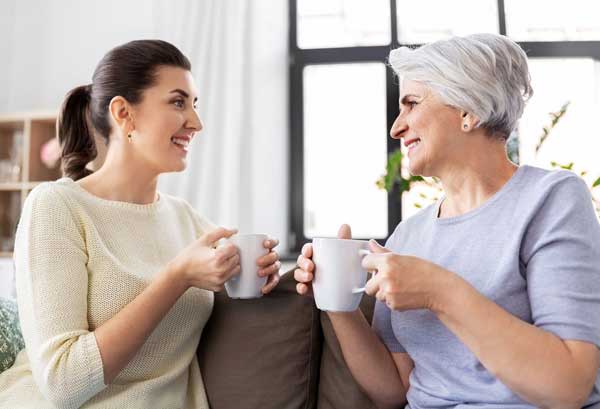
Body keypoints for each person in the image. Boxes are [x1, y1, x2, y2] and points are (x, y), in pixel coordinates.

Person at [295, 33, 600, 408]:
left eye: (411, 104)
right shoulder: (409, 235)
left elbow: (567, 387)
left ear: (468, 110)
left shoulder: (551, 199)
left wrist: (439, 292)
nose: (397, 127)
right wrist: (337, 302)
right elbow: (394, 389)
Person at [0, 39, 281, 408]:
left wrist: (264, 270)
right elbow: (62, 382)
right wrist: (176, 278)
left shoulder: (187, 221)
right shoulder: (56, 207)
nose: (196, 123)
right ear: (124, 113)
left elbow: (238, 271)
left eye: (194, 105)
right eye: (178, 102)